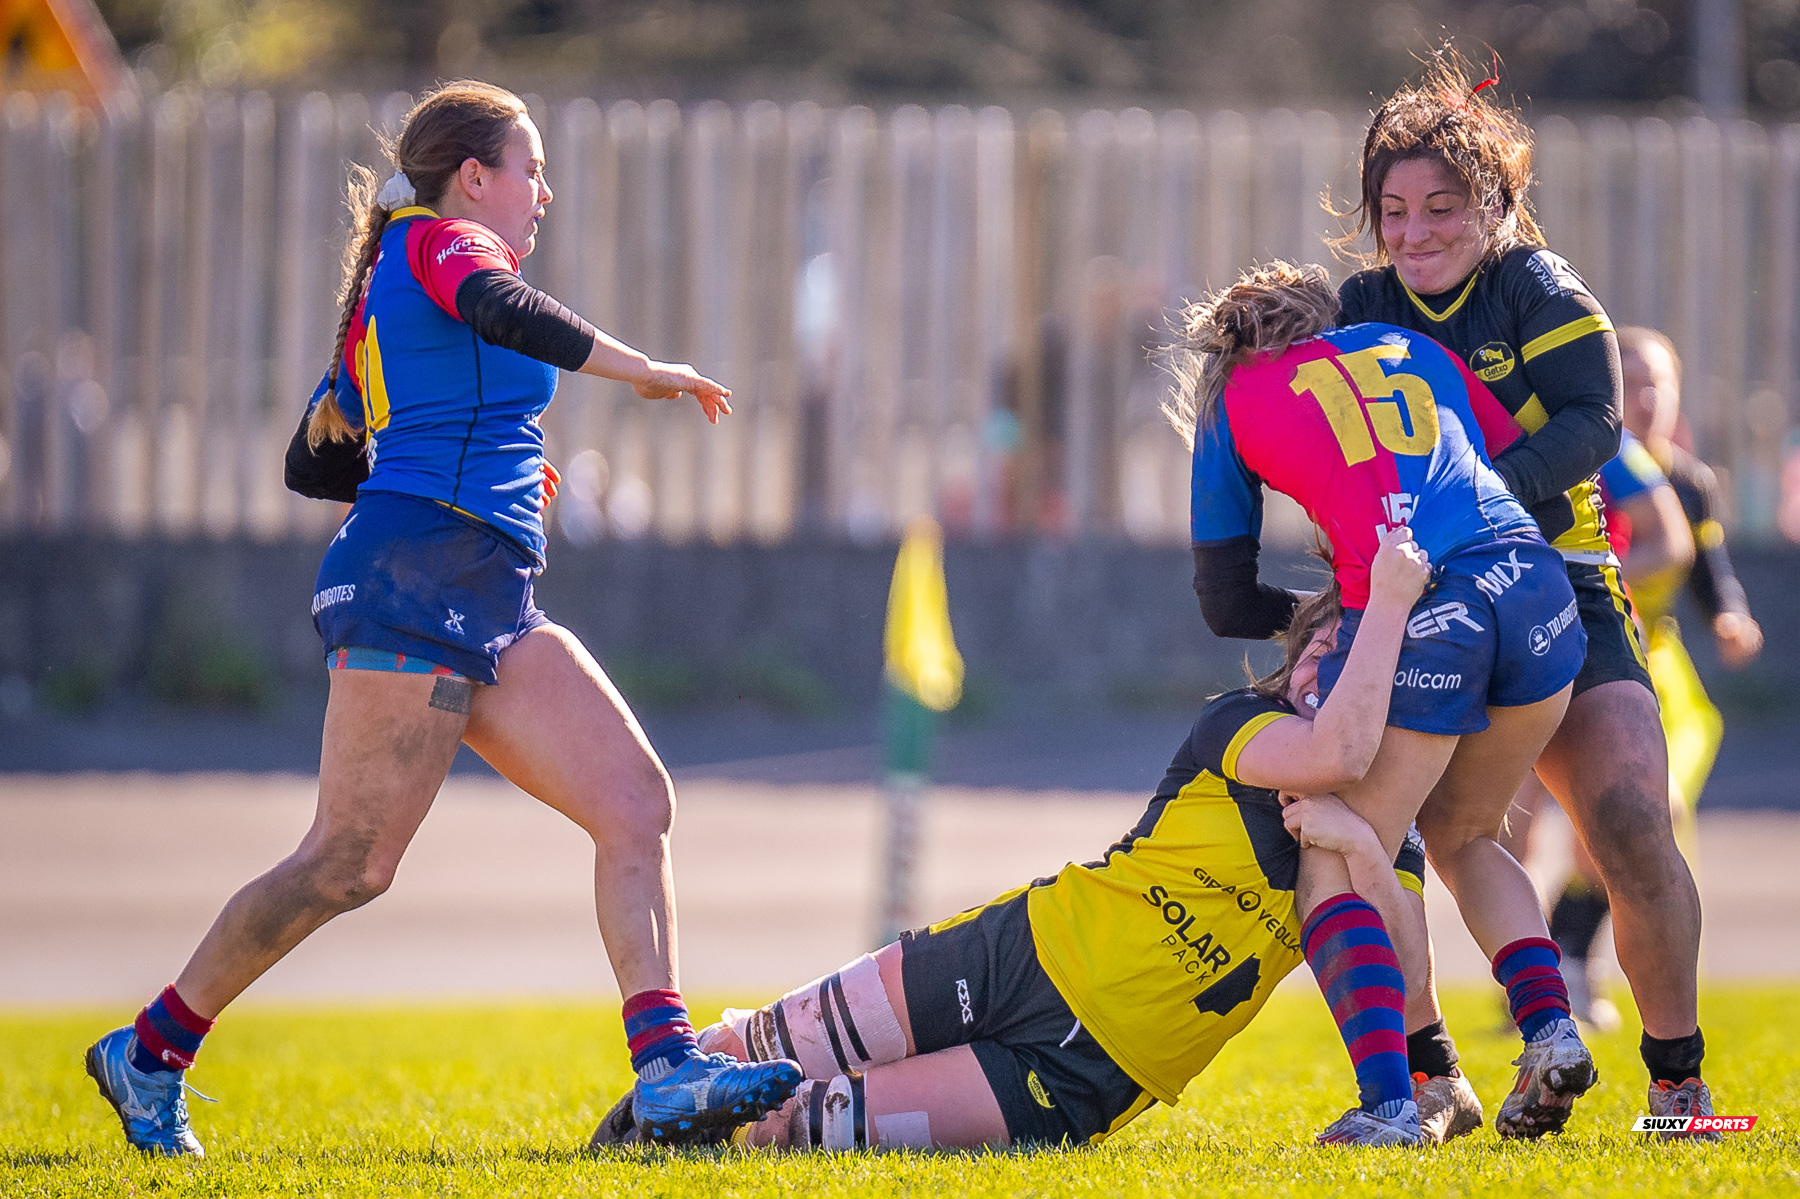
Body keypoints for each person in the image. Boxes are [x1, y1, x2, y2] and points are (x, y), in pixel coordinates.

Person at [83, 80, 800, 1157]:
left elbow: (316, 456)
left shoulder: (409, 264)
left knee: (635, 802)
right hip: (415, 587)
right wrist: (641, 371)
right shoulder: (443, 243)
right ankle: (150, 1049)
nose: (543, 191)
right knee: (348, 863)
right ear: (474, 176)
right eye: (530, 169)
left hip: (483, 589)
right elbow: (500, 316)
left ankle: (664, 1070)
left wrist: (495, 474)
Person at [593, 536, 1437, 1151]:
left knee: (797, 1125)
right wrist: (1389, 597)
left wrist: (1359, 847)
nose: (1322, 662)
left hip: (1089, 1077)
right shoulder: (1244, 722)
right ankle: (624, 1124)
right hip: (1019, 951)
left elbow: (1409, 978)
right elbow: (1334, 749)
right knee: (756, 1050)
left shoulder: (1380, 824)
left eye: (1349, 652)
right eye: (1315, 644)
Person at [1331, 50, 1718, 1140]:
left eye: (1441, 207)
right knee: (1383, 831)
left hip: (1566, 587)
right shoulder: (1363, 307)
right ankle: (1435, 1075)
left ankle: (1677, 1088)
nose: (1414, 233)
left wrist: (1478, 500)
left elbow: (1594, 424)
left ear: (1495, 202)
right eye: (1392, 211)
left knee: (1634, 821)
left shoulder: (1538, 291)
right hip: (1430, 598)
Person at [1173, 261, 1594, 1142]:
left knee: (1329, 847)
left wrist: (1325, 614)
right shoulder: (1402, 341)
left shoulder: (1229, 398)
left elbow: (1224, 600)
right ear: (1322, 314)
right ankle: (1551, 1028)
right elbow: (1494, 466)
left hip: (1427, 608)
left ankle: (1392, 1104)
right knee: (1467, 833)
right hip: (1535, 584)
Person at [1515, 326, 1763, 1032]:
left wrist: (1731, 617)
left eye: (1658, 382)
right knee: (1519, 827)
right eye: (1631, 382)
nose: (1645, 397)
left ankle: (1570, 951)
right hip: (1563, 650)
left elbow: (1708, 571)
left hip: (1654, 662)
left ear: (1678, 393)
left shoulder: (1688, 482)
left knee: (1653, 812)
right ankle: (1539, 971)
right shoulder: (1583, 464)